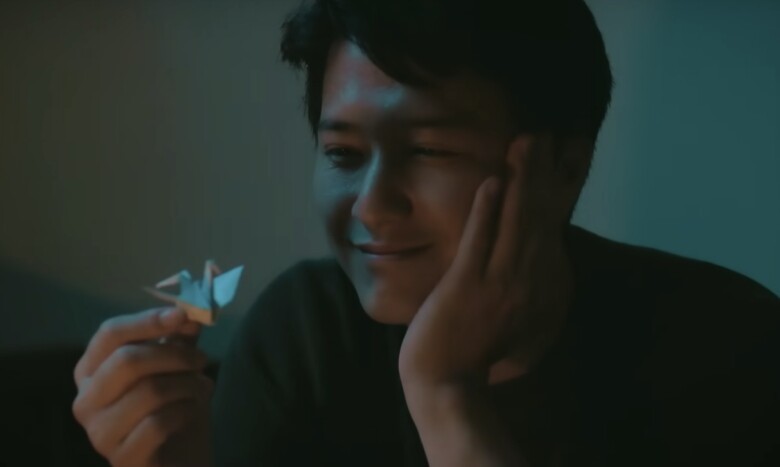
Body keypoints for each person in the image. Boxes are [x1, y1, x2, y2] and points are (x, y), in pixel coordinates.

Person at [71, 0, 780, 466]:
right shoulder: (305, 336)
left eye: (430, 150)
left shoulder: (727, 346)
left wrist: (445, 395)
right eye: (343, 154)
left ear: (565, 167)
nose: (371, 207)